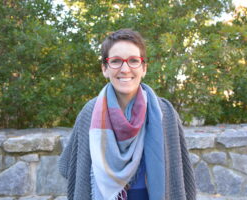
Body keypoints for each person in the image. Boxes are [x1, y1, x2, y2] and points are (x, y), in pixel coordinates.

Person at [59, 29, 196, 200]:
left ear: (144, 68)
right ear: (104, 69)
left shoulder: (164, 113)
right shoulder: (90, 112)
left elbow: (180, 172)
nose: (125, 69)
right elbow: (70, 167)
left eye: (133, 61)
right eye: (116, 61)